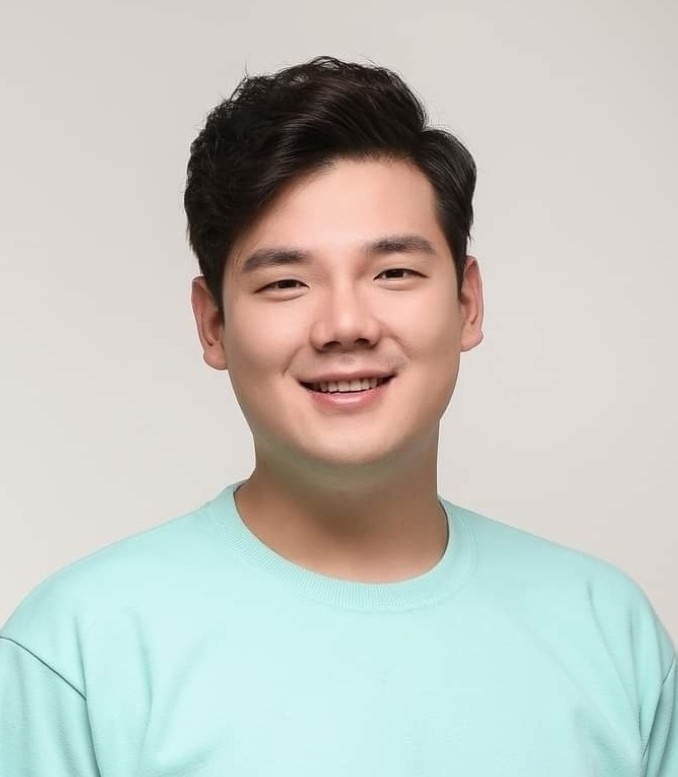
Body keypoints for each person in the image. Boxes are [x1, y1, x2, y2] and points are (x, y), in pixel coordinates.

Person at [0, 56, 675, 776]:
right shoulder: (77, 651)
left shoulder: (610, 634)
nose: (345, 325)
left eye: (394, 272)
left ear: (467, 303)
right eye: (286, 282)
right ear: (213, 324)